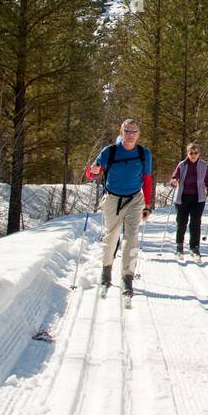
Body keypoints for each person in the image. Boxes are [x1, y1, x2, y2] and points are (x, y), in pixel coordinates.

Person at [85, 118, 155, 299]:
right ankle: (106, 271)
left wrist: (147, 205)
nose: (130, 135)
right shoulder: (110, 151)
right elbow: (92, 172)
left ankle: (127, 277)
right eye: (127, 131)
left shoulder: (144, 153)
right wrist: (92, 170)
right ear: (121, 132)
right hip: (112, 199)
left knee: (131, 238)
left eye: (134, 131)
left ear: (139, 134)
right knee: (111, 237)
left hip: (134, 200)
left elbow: (147, 180)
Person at [169, 143, 208, 260]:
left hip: (198, 198)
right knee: (181, 222)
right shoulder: (182, 165)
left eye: (196, 153)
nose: (193, 155)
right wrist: (174, 181)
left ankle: (195, 248)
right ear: (187, 153)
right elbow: (174, 177)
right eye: (191, 153)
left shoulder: (204, 165)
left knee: (195, 223)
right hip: (183, 197)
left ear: (199, 153)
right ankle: (179, 246)